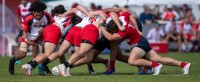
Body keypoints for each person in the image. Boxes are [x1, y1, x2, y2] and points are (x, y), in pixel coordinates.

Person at [99, 11, 191, 75]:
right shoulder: (122, 18)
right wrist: (137, 29)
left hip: (139, 43)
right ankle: (183, 64)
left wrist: (101, 27)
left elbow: (110, 38)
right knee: (159, 58)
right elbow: (128, 14)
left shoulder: (123, 31)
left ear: (116, 29)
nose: (114, 33)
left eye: (114, 31)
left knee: (132, 61)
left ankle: (156, 66)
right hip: (142, 41)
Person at [21, 5, 87, 76]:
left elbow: (73, 10)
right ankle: (30, 65)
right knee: (48, 53)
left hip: (50, 30)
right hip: (54, 31)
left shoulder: (58, 16)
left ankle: (61, 68)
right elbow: (75, 9)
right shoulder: (76, 20)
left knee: (60, 52)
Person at [8, 0, 53, 75]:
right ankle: (12, 61)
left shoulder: (47, 16)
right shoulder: (27, 18)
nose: (38, 17)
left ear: (42, 11)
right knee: (22, 54)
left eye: (40, 15)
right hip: (28, 37)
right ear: (33, 12)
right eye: (36, 15)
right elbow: (24, 31)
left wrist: (45, 28)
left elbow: (52, 25)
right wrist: (26, 40)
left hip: (40, 38)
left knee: (49, 51)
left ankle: (42, 65)